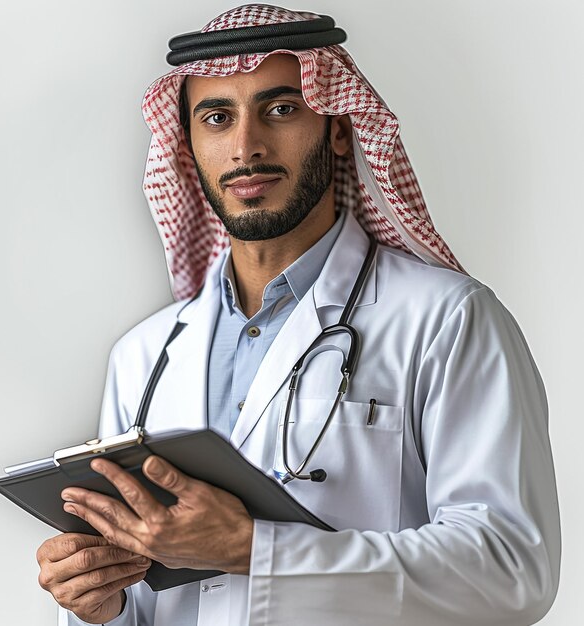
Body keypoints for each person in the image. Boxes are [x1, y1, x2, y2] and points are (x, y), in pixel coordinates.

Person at [35, 4, 561, 625]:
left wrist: (254, 549)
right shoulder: (144, 356)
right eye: (216, 117)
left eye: (280, 109)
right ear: (189, 145)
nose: (246, 146)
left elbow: (511, 571)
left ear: (338, 127)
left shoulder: (447, 321)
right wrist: (98, 601)